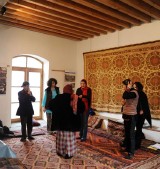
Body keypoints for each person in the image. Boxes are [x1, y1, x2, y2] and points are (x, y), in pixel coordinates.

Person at [49, 84, 81, 159]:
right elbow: (81, 108)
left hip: (60, 123)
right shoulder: (74, 98)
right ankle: (68, 153)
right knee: (69, 140)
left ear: (63, 90)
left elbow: (50, 105)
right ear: (71, 91)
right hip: (70, 124)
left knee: (61, 138)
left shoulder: (58, 97)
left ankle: (60, 152)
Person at [121, 79, 139, 159]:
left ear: (128, 85)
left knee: (131, 135)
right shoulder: (129, 93)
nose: (123, 87)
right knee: (127, 134)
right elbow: (125, 99)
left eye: (124, 85)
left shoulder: (134, 93)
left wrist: (127, 88)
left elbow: (124, 95)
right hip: (126, 115)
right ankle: (128, 149)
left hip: (132, 116)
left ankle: (131, 153)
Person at [133, 82, 152, 149]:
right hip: (135, 114)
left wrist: (142, 110)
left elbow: (145, 105)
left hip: (141, 115)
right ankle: (132, 144)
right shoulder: (134, 94)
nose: (134, 88)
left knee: (138, 130)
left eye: (136, 87)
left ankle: (137, 145)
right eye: (134, 87)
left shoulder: (142, 94)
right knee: (133, 129)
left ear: (139, 87)